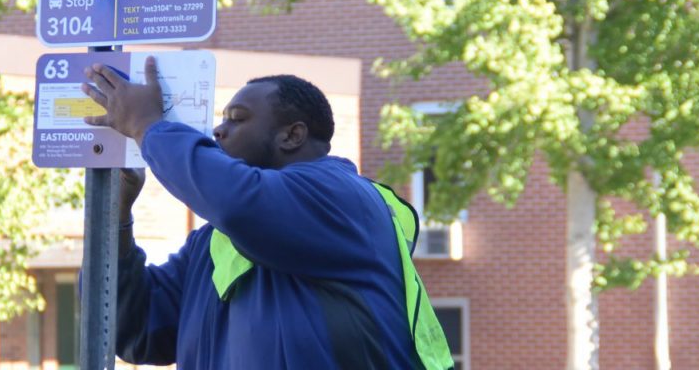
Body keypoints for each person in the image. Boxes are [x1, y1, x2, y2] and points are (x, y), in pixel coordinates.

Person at [81, 57, 454, 370]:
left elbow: (239, 201)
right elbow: (138, 331)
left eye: (237, 119)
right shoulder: (215, 242)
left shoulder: (340, 197)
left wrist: (148, 125)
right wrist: (117, 220)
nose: (218, 130)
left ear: (291, 136)